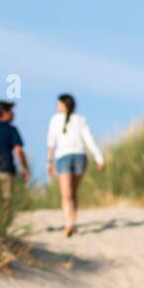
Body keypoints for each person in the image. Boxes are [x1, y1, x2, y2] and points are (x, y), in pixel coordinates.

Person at [46, 93, 104, 237]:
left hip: (76, 156)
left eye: (59, 103)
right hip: (68, 157)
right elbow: (51, 142)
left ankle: (71, 221)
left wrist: (99, 158)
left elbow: (88, 139)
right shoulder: (56, 119)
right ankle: (70, 223)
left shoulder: (79, 120)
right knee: (68, 193)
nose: (57, 106)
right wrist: (50, 162)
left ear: (65, 104)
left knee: (69, 193)